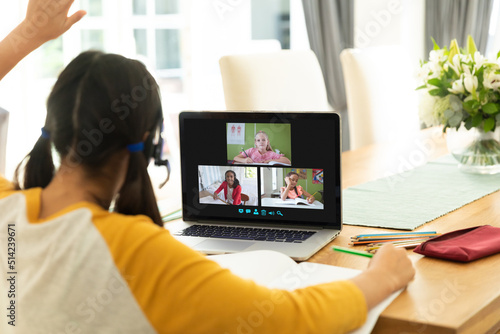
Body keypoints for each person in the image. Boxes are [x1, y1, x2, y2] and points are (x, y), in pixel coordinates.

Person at [0, 1, 415, 333]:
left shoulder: (7, 210)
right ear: (148, 145)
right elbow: (288, 321)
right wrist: (379, 278)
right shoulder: (134, 251)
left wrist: (26, 35)